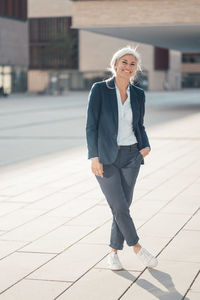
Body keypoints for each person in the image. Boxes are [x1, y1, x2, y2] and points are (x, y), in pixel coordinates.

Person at [86, 46, 158, 270]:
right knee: (119, 206)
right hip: (106, 158)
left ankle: (113, 253)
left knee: (122, 207)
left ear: (136, 69)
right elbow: (91, 126)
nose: (128, 67)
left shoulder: (138, 94)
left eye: (132, 64)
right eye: (124, 62)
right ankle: (138, 248)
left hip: (131, 156)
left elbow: (139, 124)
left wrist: (145, 147)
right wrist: (93, 157)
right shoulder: (100, 89)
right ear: (115, 64)